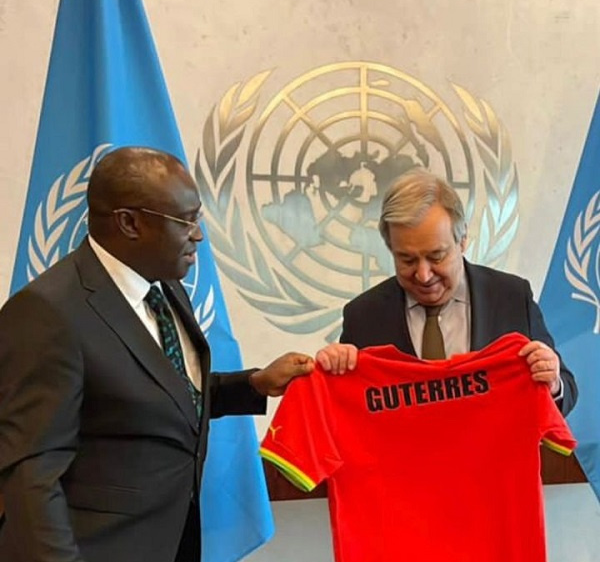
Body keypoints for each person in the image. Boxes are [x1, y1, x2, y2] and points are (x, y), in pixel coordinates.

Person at [0, 147, 326, 562]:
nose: (199, 236)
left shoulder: (162, 284)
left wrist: (253, 385)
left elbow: (151, 391)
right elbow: (32, 476)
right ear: (130, 223)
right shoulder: (47, 312)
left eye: (198, 219)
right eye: (185, 221)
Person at [318, 168, 577, 415]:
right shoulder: (364, 316)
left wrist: (553, 383)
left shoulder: (511, 297)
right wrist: (333, 372)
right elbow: (347, 411)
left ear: (462, 240)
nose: (423, 274)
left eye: (436, 256)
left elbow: (565, 392)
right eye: (407, 260)